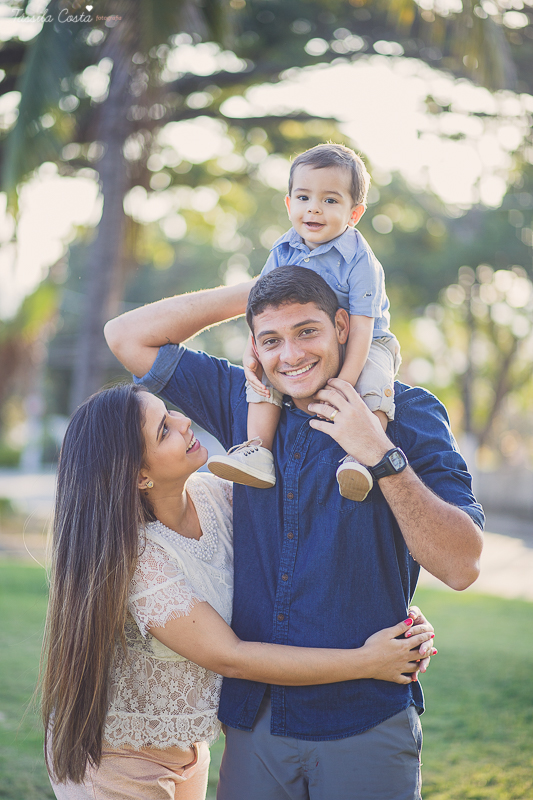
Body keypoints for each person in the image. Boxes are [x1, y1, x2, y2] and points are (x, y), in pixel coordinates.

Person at [104, 266, 484, 800]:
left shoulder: (408, 414)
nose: (291, 356)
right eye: (271, 340)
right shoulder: (244, 400)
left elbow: (462, 564)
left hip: (365, 720)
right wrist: (261, 287)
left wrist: (377, 453)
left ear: (344, 326)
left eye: (308, 331)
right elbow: (126, 334)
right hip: (255, 725)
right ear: (255, 347)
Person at [41, 382, 436, 800]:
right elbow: (232, 657)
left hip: (189, 750)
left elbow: (298, 548)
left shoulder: (216, 495)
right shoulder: (139, 560)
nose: (184, 421)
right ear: (139, 476)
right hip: (118, 762)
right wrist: (367, 661)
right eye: (163, 430)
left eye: (170, 411)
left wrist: (387, 610)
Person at [206, 143, 400, 503]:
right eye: (304, 197)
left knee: (374, 385)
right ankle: (257, 452)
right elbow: (260, 309)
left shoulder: (360, 260)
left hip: (365, 340)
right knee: (265, 379)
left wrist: (344, 382)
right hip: (301, 339)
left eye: (330, 200)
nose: (314, 207)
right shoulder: (282, 250)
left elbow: (361, 327)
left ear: (354, 213)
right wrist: (253, 353)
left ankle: (362, 455)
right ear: (289, 204)